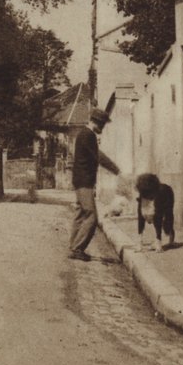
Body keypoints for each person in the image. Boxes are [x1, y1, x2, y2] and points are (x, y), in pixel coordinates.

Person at [68, 107, 120, 261]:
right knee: (91, 216)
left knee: (80, 214)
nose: (103, 128)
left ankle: (73, 246)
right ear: (97, 122)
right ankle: (77, 249)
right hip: (84, 181)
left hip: (80, 180)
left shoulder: (83, 134)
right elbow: (98, 156)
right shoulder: (88, 135)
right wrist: (115, 169)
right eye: (102, 125)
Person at [134, 173, 175, 252]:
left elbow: (158, 221)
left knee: (167, 215)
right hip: (150, 204)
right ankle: (139, 244)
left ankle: (168, 238)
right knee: (141, 221)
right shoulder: (141, 201)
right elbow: (140, 222)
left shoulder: (165, 190)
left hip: (166, 196)